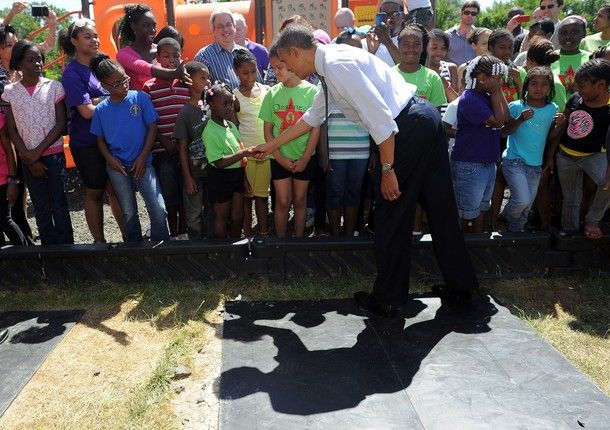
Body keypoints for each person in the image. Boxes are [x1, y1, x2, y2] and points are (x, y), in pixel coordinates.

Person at [255, 25, 481, 316]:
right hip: (421, 119)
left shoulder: (336, 67)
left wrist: (387, 169)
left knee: (390, 212)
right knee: (440, 206)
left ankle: (388, 298)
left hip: (405, 127)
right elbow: (312, 117)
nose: (290, 70)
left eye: (287, 62)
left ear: (296, 52)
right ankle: (462, 288)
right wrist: (271, 146)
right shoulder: (331, 63)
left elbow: (381, 121)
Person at [90, 54, 169, 243]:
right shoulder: (101, 110)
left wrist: (143, 157)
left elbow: (152, 128)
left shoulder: (140, 98)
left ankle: (162, 245)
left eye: (125, 79)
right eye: (117, 83)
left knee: (158, 208)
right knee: (128, 210)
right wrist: (110, 159)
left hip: (144, 163)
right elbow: (100, 140)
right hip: (118, 167)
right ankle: (134, 247)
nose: (124, 85)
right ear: (105, 86)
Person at [58, 18, 125, 244]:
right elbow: (86, 112)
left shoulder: (102, 65)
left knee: (117, 190)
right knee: (95, 191)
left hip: (111, 140)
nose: (95, 40)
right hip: (86, 142)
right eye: (88, 36)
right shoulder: (71, 73)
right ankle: (99, 243)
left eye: (95, 35)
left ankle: (129, 238)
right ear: (74, 41)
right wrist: (111, 100)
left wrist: (101, 100)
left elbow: (119, 95)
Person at [2, 40, 73, 245]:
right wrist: (29, 158)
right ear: (19, 63)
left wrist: (36, 153)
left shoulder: (54, 87)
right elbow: (11, 129)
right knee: (41, 207)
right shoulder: (10, 92)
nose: (37, 63)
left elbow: (60, 124)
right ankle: (48, 252)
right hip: (27, 159)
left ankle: (68, 250)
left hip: (54, 154)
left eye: (39, 59)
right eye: (30, 60)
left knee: (59, 204)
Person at [259, 46, 319, 238]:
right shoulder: (271, 93)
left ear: (291, 63)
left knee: (300, 199)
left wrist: (305, 158)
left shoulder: (311, 92)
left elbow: (316, 128)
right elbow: (267, 130)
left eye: (280, 67)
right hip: (279, 159)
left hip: (305, 157)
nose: (276, 72)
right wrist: (279, 157)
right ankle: (280, 243)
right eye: (273, 68)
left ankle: (299, 243)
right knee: (283, 201)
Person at [550, 59, 610, 238]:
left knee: (607, 185)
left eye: (582, 86)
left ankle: (592, 220)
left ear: (600, 85)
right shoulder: (576, 99)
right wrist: (550, 156)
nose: (578, 90)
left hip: (594, 156)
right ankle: (570, 235)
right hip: (565, 156)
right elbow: (562, 129)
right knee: (570, 199)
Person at [500, 66, 564, 232]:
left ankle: (515, 235)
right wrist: (520, 119)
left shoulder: (552, 109)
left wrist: (559, 125)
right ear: (526, 85)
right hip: (514, 160)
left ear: (550, 88)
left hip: (535, 165)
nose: (538, 88)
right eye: (534, 84)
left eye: (544, 85)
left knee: (527, 206)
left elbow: (549, 136)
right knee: (522, 200)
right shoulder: (516, 106)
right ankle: (505, 214)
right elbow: (503, 132)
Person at [451, 55, 510, 233]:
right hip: (470, 163)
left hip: (487, 161)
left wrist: (495, 91)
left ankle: (478, 244)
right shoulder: (470, 99)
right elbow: (498, 122)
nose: (500, 83)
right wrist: (496, 92)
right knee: (466, 213)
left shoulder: (486, 95)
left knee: (482, 207)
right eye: (497, 79)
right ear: (483, 79)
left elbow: (505, 117)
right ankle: (461, 246)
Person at [142, 37, 191, 240]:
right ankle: (173, 234)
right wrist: (163, 140)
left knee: (186, 194)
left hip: (186, 149)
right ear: (158, 58)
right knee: (169, 195)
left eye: (176, 55)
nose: (172, 60)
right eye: (166, 56)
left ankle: (185, 233)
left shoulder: (186, 83)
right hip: (163, 150)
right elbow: (148, 121)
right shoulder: (149, 87)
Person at [325, 30, 371, 237]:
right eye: (349, 48)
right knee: (334, 193)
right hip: (335, 151)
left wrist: (376, 154)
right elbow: (320, 120)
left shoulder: (370, 78)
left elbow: (375, 119)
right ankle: (336, 237)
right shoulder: (328, 78)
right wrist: (324, 154)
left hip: (361, 149)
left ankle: (349, 234)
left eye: (358, 48)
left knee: (354, 193)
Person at [203, 82, 253, 238]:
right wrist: (244, 153)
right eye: (224, 104)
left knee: (238, 216)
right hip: (220, 178)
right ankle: (223, 252)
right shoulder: (210, 131)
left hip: (237, 176)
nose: (229, 107)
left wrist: (244, 179)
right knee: (222, 218)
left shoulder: (231, 125)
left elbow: (238, 151)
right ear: (211, 104)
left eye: (231, 103)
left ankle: (236, 247)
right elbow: (218, 162)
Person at [232, 50, 270, 238]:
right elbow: (234, 129)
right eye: (245, 73)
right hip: (245, 156)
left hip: (265, 153)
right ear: (236, 72)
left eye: (253, 71)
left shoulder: (266, 91)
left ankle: (263, 234)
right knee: (246, 197)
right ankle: (247, 237)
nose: (250, 76)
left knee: (262, 197)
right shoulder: (234, 97)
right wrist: (241, 153)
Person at [175, 61, 212, 240]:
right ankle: (196, 246)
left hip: (214, 169)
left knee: (212, 209)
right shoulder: (185, 112)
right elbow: (182, 148)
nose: (207, 82)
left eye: (208, 77)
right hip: (195, 172)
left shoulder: (213, 106)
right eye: (202, 78)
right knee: (194, 213)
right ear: (189, 81)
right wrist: (188, 177)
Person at [116, 4, 188, 91]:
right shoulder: (123, 55)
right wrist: (173, 73)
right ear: (133, 26)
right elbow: (143, 68)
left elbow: (180, 65)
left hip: (167, 102)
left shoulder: (163, 50)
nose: (152, 30)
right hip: (141, 104)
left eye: (154, 25)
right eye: (146, 25)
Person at [194, 9, 261, 90]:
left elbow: (259, 84)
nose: (225, 29)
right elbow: (198, 91)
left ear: (234, 27)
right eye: (220, 27)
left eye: (229, 25)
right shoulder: (204, 56)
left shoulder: (245, 53)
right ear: (213, 31)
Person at [394, 25, 447, 109]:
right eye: (406, 44)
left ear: (423, 47)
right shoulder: (389, 75)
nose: (411, 48)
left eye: (416, 44)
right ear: (398, 46)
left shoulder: (433, 77)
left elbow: (436, 115)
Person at [0, 110, 26, 245]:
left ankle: (26, 255)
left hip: (3, 179)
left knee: (4, 220)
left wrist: (12, 181)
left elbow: (10, 151)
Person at [552, 16, 590, 97]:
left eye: (574, 32)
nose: (568, 37)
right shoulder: (548, 58)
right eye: (563, 33)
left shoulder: (592, 59)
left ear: (584, 34)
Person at [366, 0, 403, 67]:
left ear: (402, 16)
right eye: (384, 14)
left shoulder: (409, 41)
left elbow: (407, 69)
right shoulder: (370, 41)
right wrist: (371, 52)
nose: (389, 18)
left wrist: (388, 42)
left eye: (394, 14)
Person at [426, 29, 459, 103]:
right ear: (425, 47)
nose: (439, 52)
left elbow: (455, 102)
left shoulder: (451, 68)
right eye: (434, 48)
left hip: (445, 114)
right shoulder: (419, 69)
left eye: (443, 48)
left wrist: (444, 83)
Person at [233, 13, 269, 78]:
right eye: (233, 30)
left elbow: (271, 74)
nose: (236, 33)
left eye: (238, 29)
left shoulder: (260, 50)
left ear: (246, 29)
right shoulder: (225, 53)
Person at [457, 27, 491, 93]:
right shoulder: (463, 68)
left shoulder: (499, 67)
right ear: (473, 45)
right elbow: (461, 96)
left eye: (490, 43)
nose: (488, 47)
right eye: (484, 43)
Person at [445, 1, 480, 66]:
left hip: (473, 75)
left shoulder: (480, 36)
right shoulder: (447, 35)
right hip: (452, 75)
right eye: (467, 12)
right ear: (461, 13)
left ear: (476, 17)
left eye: (473, 13)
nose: (470, 15)